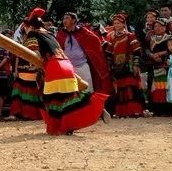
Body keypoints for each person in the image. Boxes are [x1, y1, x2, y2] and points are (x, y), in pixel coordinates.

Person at [23, 8, 109, 136]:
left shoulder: (32, 35)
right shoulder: (49, 34)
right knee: (69, 98)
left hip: (54, 67)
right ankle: (80, 116)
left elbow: (34, 53)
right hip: (67, 65)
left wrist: (32, 64)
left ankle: (59, 126)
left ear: (28, 26)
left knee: (52, 100)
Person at [56, 12, 112, 95]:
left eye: (67, 18)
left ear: (74, 20)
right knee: (71, 93)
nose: (64, 20)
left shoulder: (82, 32)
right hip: (68, 69)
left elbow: (95, 41)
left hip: (82, 67)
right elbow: (57, 49)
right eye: (64, 18)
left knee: (87, 92)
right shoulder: (61, 34)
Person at [103, 13, 144, 118]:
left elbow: (136, 51)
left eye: (118, 23)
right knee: (120, 89)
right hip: (117, 66)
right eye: (115, 23)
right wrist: (109, 65)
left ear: (123, 24)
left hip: (129, 65)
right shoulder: (111, 37)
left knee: (130, 87)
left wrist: (136, 65)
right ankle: (122, 112)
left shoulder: (130, 36)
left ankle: (134, 111)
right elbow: (109, 53)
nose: (116, 25)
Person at [8, 16, 44, 121]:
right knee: (20, 91)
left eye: (26, 26)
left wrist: (35, 67)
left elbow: (36, 53)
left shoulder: (32, 39)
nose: (24, 27)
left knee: (27, 92)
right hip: (23, 70)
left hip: (30, 70)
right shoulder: (27, 39)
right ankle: (20, 113)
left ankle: (27, 114)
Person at [146, 18, 172, 116]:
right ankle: (159, 110)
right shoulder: (152, 38)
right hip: (155, 66)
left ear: (164, 27)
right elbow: (146, 49)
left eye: (159, 26)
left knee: (167, 86)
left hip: (167, 66)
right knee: (157, 87)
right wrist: (152, 55)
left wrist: (159, 54)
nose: (157, 28)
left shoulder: (169, 37)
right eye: (155, 26)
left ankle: (169, 109)